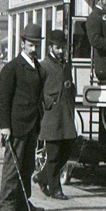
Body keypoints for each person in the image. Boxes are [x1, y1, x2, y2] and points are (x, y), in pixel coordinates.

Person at [0, 23, 46, 211]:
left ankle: (23, 201)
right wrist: (5, 126)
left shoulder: (38, 68)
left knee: (27, 165)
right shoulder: (12, 68)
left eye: (36, 45)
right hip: (16, 125)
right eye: (31, 45)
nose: (34, 49)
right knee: (12, 165)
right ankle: (7, 204)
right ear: (23, 44)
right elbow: (3, 99)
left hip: (32, 124)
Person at [33, 30, 77, 200]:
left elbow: (70, 86)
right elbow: (37, 91)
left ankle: (42, 177)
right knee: (54, 154)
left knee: (67, 152)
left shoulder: (66, 65)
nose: (60, 51)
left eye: (62, 48)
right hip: (51, 116)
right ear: (50, 46)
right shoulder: (43, 66)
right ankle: (55, 189)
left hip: (65, 114)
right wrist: (49, 102)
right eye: (58, 47)